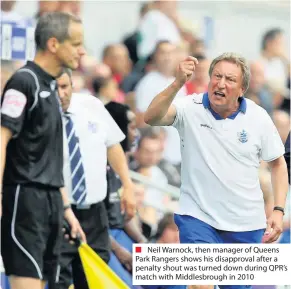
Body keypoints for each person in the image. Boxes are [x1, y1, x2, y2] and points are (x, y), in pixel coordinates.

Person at [144, 52, 289, 289]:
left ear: (242, 89)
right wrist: (178, 82)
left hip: (245, 225)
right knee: (201, 284)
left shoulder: (258, 117)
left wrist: (278, 210)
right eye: (217, 76)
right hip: (198, 218)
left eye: (230, 79)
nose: (221, 84)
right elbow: (151, 117)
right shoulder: (188, 107)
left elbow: (278, 164)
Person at [1, 12, 86, 289]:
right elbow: (1, 139)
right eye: (75, 44)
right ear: (53, 44)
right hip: (25, 199)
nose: (82, 51)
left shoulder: (52, 85)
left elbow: (49, 159)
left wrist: (66, 210)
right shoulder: (24, 82)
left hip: (51, 202)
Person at [56, 69, 136, 289]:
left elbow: (113, 145)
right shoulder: (40, 114)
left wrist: (127, 185)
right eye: (55, 87)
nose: (61, 94)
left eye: (65, 87)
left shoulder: (91, 105)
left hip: (94, 211)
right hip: (58, 211)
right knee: (60, 278)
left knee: (95, 278)